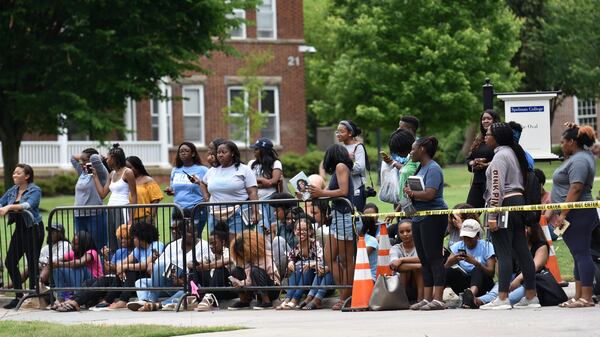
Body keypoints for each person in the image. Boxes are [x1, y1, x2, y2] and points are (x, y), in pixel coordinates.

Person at [481, 122, 539, 309]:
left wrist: (492, 215)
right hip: (517, 204)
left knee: (503, 251)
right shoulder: (513, 153)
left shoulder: (500, 157)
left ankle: (503, 297)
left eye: (488, 134)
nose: (485, 136)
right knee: (522, 251)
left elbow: (497, 189)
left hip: (504, 205)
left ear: (497, 137)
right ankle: (531, 296)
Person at [551, 124, 599, 308]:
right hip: (576, 212)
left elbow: (576, 187)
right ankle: (579, 296)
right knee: (578, 254)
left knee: (582, 254)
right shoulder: (580, 156)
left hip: (578, 213)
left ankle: (586, 298)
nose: (562, 145)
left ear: (572, 142)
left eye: (564, 141)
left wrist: (563, 213)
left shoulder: (579, 160)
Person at [308, 144, 358, 310]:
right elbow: (328, 191)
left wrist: (321, 193)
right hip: (337, 216)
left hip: (344, 216)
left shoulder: (341, 166)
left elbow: (343, 191)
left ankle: (347, 296)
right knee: (330, 257)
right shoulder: (338, 169)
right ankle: (344, 293)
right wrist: (311, 194)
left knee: (345, 260)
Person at [403, 137, 448, 310]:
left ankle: (438, 299)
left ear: (422, 149)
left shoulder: (433, 169)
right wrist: (409, 192)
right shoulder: (420, 167)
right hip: (418, 216)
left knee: (434, 257)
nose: (411, 152)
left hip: (433, 216)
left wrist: (413, 193)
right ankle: (427, 298)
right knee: (424, 259)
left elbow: (430, 194)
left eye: (413, 149)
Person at [128, 220, 213, 311]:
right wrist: (154, 266)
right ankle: (144, 300)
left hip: (187, 281)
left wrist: (181, 279)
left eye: (195, 231)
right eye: (189, 232)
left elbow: (205, 267)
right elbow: (159, 264)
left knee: (189, 291)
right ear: (181, 233)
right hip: (168, 280)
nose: (193, 234)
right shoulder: (172, 245)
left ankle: (156, 303)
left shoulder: (203, 245)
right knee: (141, 282)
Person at [53, 224, 138, 312]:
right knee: (88, 282)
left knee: (101, 281)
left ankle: (75, 302)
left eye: (125, 238)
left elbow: (128, 268)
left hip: (126, 282)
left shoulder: (135, 252)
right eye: (121, 238)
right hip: (115, 279)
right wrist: (106, 259)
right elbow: (108, 270)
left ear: (131, 239)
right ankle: (73, 300)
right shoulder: (119, 251)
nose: (122, 241)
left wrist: (118, 267)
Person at [0, 163, 44, 309]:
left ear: (27, 176)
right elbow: (1, 202)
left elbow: (28, 205)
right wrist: (3, 206)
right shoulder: (13, 190)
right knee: (10, 262)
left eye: (18, 173)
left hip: (33, 229)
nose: (14, 175)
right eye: (14, 173)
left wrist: (9, 207)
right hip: (20, 230)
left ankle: (32, 295)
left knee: (32, 264)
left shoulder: (35, 190)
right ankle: (19, 295)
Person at [476, 222, 549, 308]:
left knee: (520, 290)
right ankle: (480, 300)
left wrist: (517, 280)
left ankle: (500, 300)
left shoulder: (540, 246)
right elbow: (500, 274)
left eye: (526, 228)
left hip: (532, 280)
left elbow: (536, 266)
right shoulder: (513, 246)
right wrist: (499, 256)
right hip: (513, 277)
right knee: (500, 285)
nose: (523, 231)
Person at [200, 141, 259, 240]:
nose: (220, 155)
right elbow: (202, 183)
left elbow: (252, 192)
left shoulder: (244, 169)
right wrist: (206, 197)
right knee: (216, 244)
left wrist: (255, 212)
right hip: (215, 213)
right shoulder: (212, 171)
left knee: (235, 244)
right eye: (218, 152)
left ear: (232, 153)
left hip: (237, 212)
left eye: (224, 152)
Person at [93, 143, 137, 252]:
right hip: (110, 209)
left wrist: (131, 218)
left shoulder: (128, 172)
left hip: (122, 209)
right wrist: (95, 177)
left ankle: (125, 266)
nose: (106, 161)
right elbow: (103, 194)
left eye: (108, 158)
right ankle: (114, 265)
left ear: (114, 159)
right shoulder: (112, 173)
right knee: (112, 241)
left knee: (122, 240)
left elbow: (134, 195)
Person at [444, 219, 496, 308]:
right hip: (465, 284)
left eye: (470, 237)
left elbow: (491, 273)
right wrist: (451, 260)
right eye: (465, 236)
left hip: (483, 283)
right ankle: (437, 298)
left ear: (477, 235)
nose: (467, 240)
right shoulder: (458, 246)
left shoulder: (486, 246)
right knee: (449, 271)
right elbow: (445, 267)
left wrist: (476, 263)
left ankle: (470, 296)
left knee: (477, 269)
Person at [276, 218, 323, 310]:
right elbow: (290, 257)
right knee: (296, 266)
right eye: (298, 230)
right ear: (294, 231)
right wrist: (290, 263)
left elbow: (321, 260)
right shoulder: (297, 247)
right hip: (301, 279)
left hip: (315, 279)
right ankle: (287, 298)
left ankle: (295, 299)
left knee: (303, 265)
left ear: (310, 231)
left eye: (305, 230)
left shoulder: (315, 244)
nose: (301, 232)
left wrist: (311, 264)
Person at [228, 231, 281, 310]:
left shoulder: (264, 257)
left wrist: (241, 283)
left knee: (255, 271)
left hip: (272, 288)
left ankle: (266, 301)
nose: (243, 255)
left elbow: (252, 277)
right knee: (236, 270)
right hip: (255, 287)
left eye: (244, 252)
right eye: (240, 253)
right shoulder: (244, 259)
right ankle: (244, 300)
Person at [165, 142, 208, 236]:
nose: (183, 153)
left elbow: (208, 188)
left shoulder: (203, 170)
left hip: (196, 208)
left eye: (186, 151)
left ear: (193, 154)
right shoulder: (175, 170)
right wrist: (170, 190)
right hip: (178, 209)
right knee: (176, 238)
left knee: (193, 238)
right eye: (181, 151)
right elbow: (173, 188)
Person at [71, 148, 109, 252]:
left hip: (95, 215)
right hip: (79, 215)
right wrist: (84, 157)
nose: (82, 163)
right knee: (81, 247)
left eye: (84, 160)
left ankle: (101, 267)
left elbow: (95, 158)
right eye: (81, 160)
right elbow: (73, 157)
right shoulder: (82, 172)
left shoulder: (99, 172)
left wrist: (99, 157)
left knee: (98, 246)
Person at [51, 231, 103, 304]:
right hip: (80, 280)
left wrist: (59, 264)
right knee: (56, 269)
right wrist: (53, 264)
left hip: (94, 281)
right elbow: (58, 261)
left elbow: (80, 262)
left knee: (77, 266)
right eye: (72, 243)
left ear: (83, 244)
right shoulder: (73, 253)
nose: (72, 245)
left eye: (75, 244)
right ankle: (61, 298)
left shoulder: (91, 252)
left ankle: (76, 297)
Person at [466, 109, 501, 208]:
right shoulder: (478, 139)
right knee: (469, 211)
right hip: (477, 181)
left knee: (491, 214)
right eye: (483, 119)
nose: (485, 121)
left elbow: (502, 159)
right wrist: (473, 163)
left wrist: (486, 164)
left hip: (493, 181)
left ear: (495, 120)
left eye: (489, 118)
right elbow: (469, 159)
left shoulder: (500, 139)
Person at [248, 137, 283, 228]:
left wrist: (257, 181)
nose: (254, 151)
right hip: (256, 199)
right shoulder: (251, 163)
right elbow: (247, 182)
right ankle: (263, 242)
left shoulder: (275, 163)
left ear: (263, 151)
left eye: (256, 149)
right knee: (262, 225)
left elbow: (273, 181)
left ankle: (272, 242)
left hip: (270, 198)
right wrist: (262, 180)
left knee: (272, 224)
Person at [336, 120, 367, 212]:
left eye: (342, 132)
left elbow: (360, 167)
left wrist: (345, 164)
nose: (338, 134)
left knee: (356, 215)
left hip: (356, 187)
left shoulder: (358, 147)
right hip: (341, 188)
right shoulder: (339, 148)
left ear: (350, 133)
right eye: (337, 131)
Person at [389, 219, 423, 303]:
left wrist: (402, 259)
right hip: (401, 285)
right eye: (402, 232)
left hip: (420, 285)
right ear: (398, 234)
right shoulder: (395, 248)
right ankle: (402, 301)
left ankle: (421, 300)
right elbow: (394, 264)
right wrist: (420, 265)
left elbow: (423, 258)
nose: (405, 234)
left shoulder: (421, 246)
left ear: (414, 231)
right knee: (404, 270)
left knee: (416, 270)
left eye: (408, 231)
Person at [126, 156, 164, 222]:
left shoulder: (148, 180)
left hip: (144, 218)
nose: (128, 170)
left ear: (137, 167)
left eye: (130, 167)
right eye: (126, 168)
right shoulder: (126, 181)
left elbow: (155, 200)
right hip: (128, 218)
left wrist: (150, 217)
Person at [361, 210, 379, 281]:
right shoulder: (353, 240)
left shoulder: (371, 241)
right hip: (357, 275)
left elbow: (360, 258)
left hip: (370, 277)